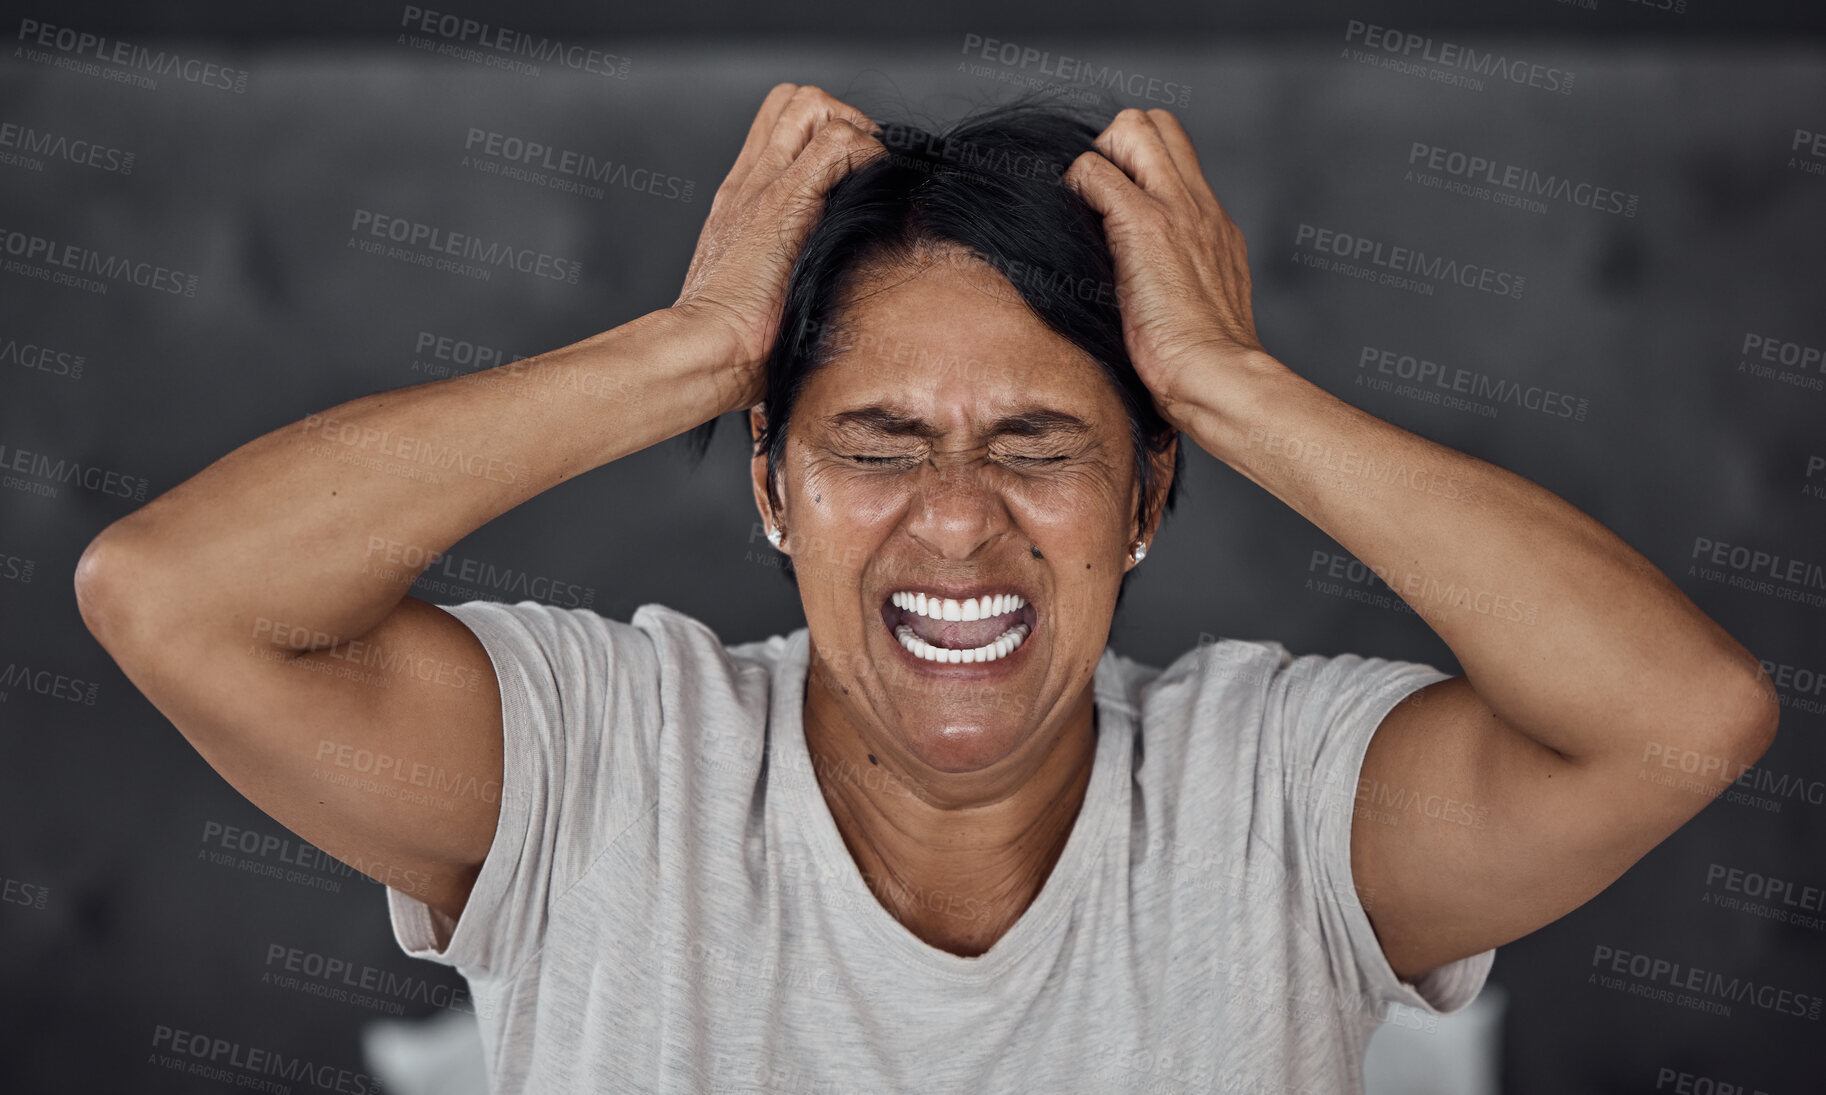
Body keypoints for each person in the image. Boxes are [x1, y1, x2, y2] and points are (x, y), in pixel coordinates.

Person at [73, 83, 1780, 1094]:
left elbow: (1680, 718)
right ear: (770, 489)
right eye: (875, 445)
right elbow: (171, 592)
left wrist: (1232, 382)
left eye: (1040, 443)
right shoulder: (601, 756)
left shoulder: (1279, 792)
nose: (955, 525)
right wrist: (691, 348)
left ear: (1144, 500)